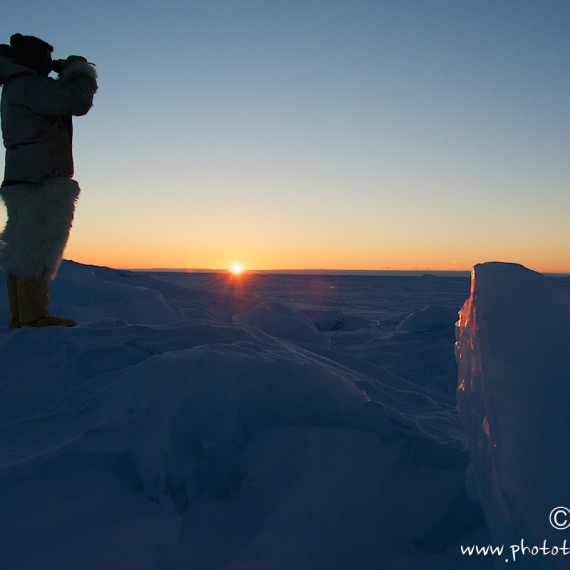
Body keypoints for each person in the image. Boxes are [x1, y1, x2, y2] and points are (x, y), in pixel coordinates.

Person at [0, 33, 98, 328]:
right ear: (33, 59)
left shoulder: (17, 84)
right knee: (37, 247)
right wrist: (78, 69)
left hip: (23, 178)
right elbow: (77, 100)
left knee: (21, 248)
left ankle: (22, 315)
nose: (50, 63)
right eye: (46, 57)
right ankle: (33, 318)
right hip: (41, 180)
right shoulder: (28, 85)